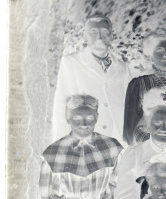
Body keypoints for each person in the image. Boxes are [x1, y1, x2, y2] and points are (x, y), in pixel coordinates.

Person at [52, 14, 132, 142]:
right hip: (83, 138)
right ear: (85, 36)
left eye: (104, 32)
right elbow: (61, 107)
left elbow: (131, 108)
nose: (99, 38)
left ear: (111, 36)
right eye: (93, 32)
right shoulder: (70, 63)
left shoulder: (122, 68)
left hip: (116, 140)